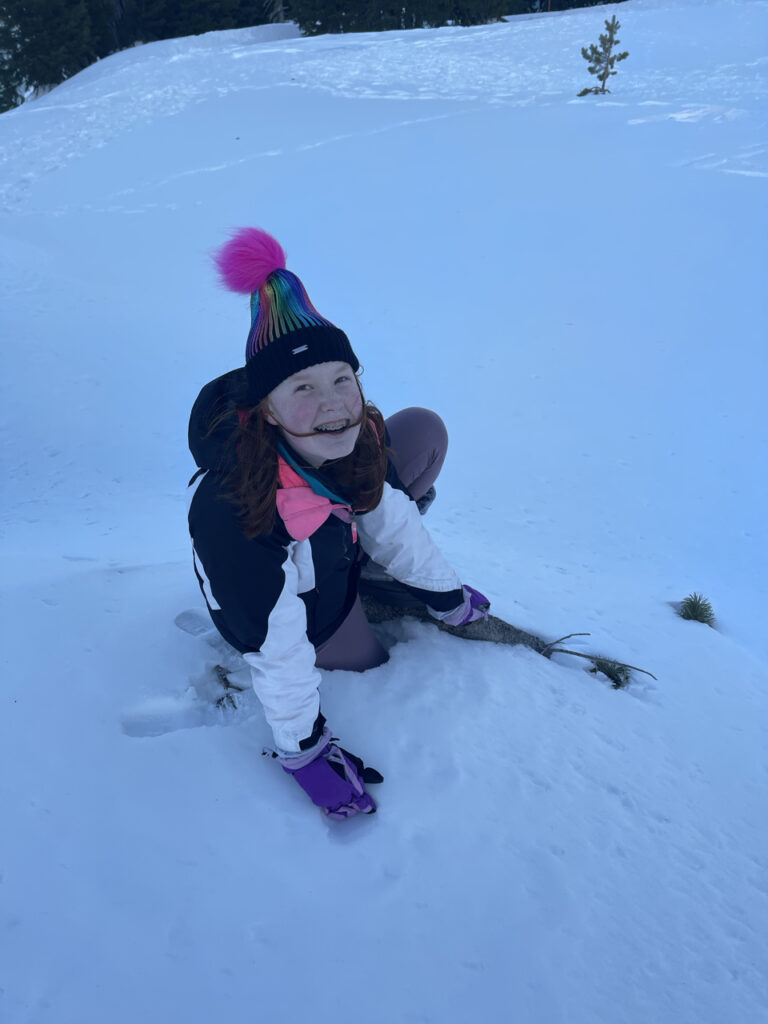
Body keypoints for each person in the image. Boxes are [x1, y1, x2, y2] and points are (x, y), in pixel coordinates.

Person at [187, 227, 490, 820]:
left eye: (341, 381)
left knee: (418, 431)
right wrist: (302, 749)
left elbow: (393, 516)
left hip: (331, 544)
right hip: (279, 602)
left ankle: (363, 561)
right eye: (302, 387)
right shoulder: (234, 505)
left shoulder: (355, 432)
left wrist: (444, 592)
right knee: (365, 662)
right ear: (266, 410)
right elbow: (274, 642)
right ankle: (349, 594)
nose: (331, 404)